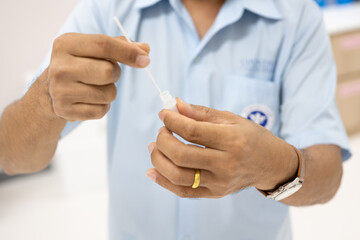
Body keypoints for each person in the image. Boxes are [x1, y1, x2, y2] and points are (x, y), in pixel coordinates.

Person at [0, 0, 351, 239]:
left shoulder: (296, 15)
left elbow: (328, 177)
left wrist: (274, 165)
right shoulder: (111, 7)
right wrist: (44, 98)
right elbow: (11, 154)